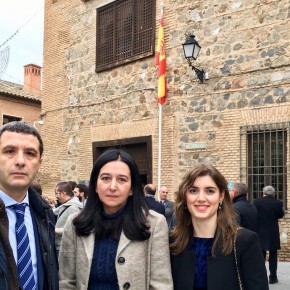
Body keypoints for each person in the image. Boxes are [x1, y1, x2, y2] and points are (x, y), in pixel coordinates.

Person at [58, 148, 173, 289]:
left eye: (122, 180)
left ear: (131, 188)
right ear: (95, 185)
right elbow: (66, 281)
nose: (113, 187)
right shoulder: (75, 223)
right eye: (106, 178)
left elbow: (161, 285)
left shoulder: (154, 224)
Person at [170, 164, 268, 290]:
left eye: (210, 191)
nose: (201, 198)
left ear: (221, 196)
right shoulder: (173, 243)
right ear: (184, 196)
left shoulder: (244, 241)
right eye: (193, 190)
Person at [0, 121, 58, 290]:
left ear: (39, 164)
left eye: (30, 153)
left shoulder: (46, 216)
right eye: (10, 151)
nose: (20, 161)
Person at [253, 185, 284, 284]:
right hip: (273, 232)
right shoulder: (278, 203)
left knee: (260, 256)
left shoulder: (256, 202)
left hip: (260, 232)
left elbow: (254, 214)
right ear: (273, 193)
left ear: (263, 193)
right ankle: (273, 277)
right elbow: (281, 215)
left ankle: (261, 277)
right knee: (273, 255)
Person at [53, 181, 83, 255]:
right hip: (62, 246)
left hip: (65, 248)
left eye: (57, 193)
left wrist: (57, 230)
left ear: (63, 193)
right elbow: (54, 211)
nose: (56, 196)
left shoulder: (73, 208)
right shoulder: (67, 204)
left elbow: (76, 228)